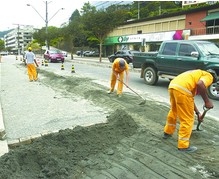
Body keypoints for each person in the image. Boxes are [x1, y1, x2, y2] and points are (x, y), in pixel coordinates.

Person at [163, 69, 217, 153]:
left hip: (173, 86)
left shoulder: (195, 74)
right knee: (187, 119)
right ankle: (183, 146)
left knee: (174, 110)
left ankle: (167, 132)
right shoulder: (209, 76)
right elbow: (200, 84)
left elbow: (189, 99)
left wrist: (198, 113)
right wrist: (207, 101)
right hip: (182, 90)